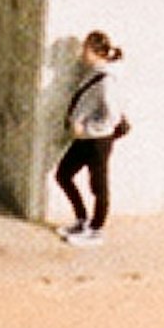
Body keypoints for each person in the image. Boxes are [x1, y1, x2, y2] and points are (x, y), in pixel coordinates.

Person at [52, 32, 126, 240]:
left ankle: (96, 229)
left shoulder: (106, 80)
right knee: (63, 175)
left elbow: (112, 115)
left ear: (97, 53)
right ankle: (82, 220)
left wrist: (86, 129)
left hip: (97, 141)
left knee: (98, 186)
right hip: (85, 140)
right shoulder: (94, 72)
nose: (82, 53)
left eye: (86, 49)